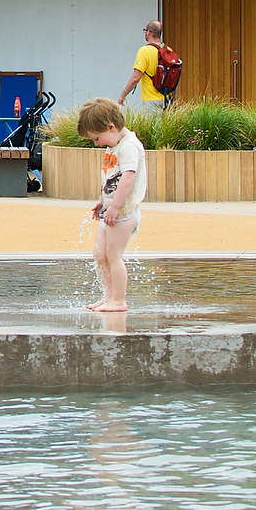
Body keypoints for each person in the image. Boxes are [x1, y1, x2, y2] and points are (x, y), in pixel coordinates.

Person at [77, 98, 145, 314]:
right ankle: (108, 296)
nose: (97, 143)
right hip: (112, 210)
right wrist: (103, 201)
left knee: (113, 255)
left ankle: (119, 299)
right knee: (100, 255)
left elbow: (127, 178)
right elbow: (110, 179)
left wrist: (115, 207)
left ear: (111, 127)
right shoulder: (113, 145)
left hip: (123, 213)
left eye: (97, 138)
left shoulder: (129, 146)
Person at [119, 20, 171, 108]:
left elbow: (135, 78)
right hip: (167, 100)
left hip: (151, 101)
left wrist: (122, 96)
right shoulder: (168, 50)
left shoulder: (144, 51)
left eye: (145, 30)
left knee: (151, 122)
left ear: (148, 33)